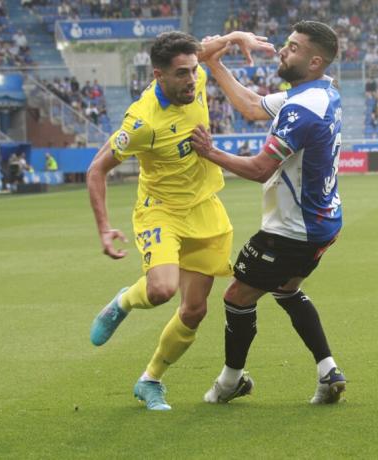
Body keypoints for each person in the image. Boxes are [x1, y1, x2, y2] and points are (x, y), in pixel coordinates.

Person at [86, 30, 274, 411]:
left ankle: (150, 380)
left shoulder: (197, 74)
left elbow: (207, 51)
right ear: (158, 76)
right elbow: (96, 170)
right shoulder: (141, 122)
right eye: (182, 74)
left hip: (205, 209)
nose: (192, 80)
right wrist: (105, 228)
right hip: (161, 210)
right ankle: (122, 302)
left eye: (193, 71)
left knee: (195, 310)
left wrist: (237, 36)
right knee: (160, 290)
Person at [189, 21, 346, 405]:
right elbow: (251, 107)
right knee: (286, 289)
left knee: (237, 297)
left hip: (292, 229)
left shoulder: (303, 108)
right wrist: (214, 65)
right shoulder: (318, 93)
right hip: (321, 223)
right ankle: (328, 371)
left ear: (314, 61)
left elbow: (261, 169)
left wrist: (211, 153)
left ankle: (231, 381)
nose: (282, 50)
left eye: (292, 47)